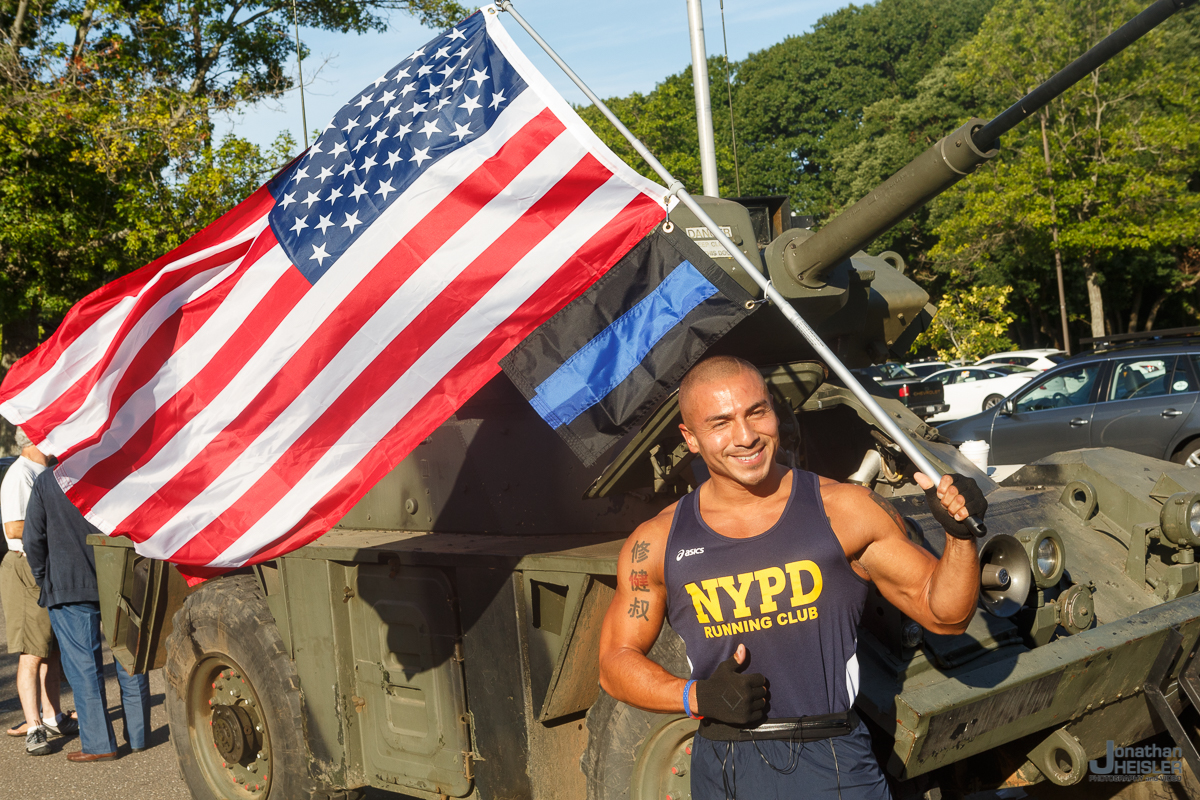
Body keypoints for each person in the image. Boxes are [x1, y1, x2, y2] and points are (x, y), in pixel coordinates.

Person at [597, 356, 987, 799]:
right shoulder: (657, 541)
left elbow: (946, 615)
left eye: (756, 412)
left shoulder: (845, 510)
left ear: (774, 413)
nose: (745, 437)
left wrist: (959, 539)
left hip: (833, 761)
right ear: (690, 438)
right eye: (720, 422)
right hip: (724, 769)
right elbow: (614, 663)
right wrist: (695, 697)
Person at [24, 466, 151, 762]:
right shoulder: (109, 467)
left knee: (84, 666)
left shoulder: (46, 481)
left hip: (68, 583)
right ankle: (139, 735)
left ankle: (98, 744)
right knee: (129, 658)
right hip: (118, 575)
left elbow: (32, 539)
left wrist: (45, 578)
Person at [0, 427, 76, 755]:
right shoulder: (20, 474)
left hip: (42, 564)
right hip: (24, 565)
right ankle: (34, 728)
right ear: (32, 442)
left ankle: (53, 715)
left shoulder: (40, 472)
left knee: (50, 647)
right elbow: (14, 527)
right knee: (32, 651)